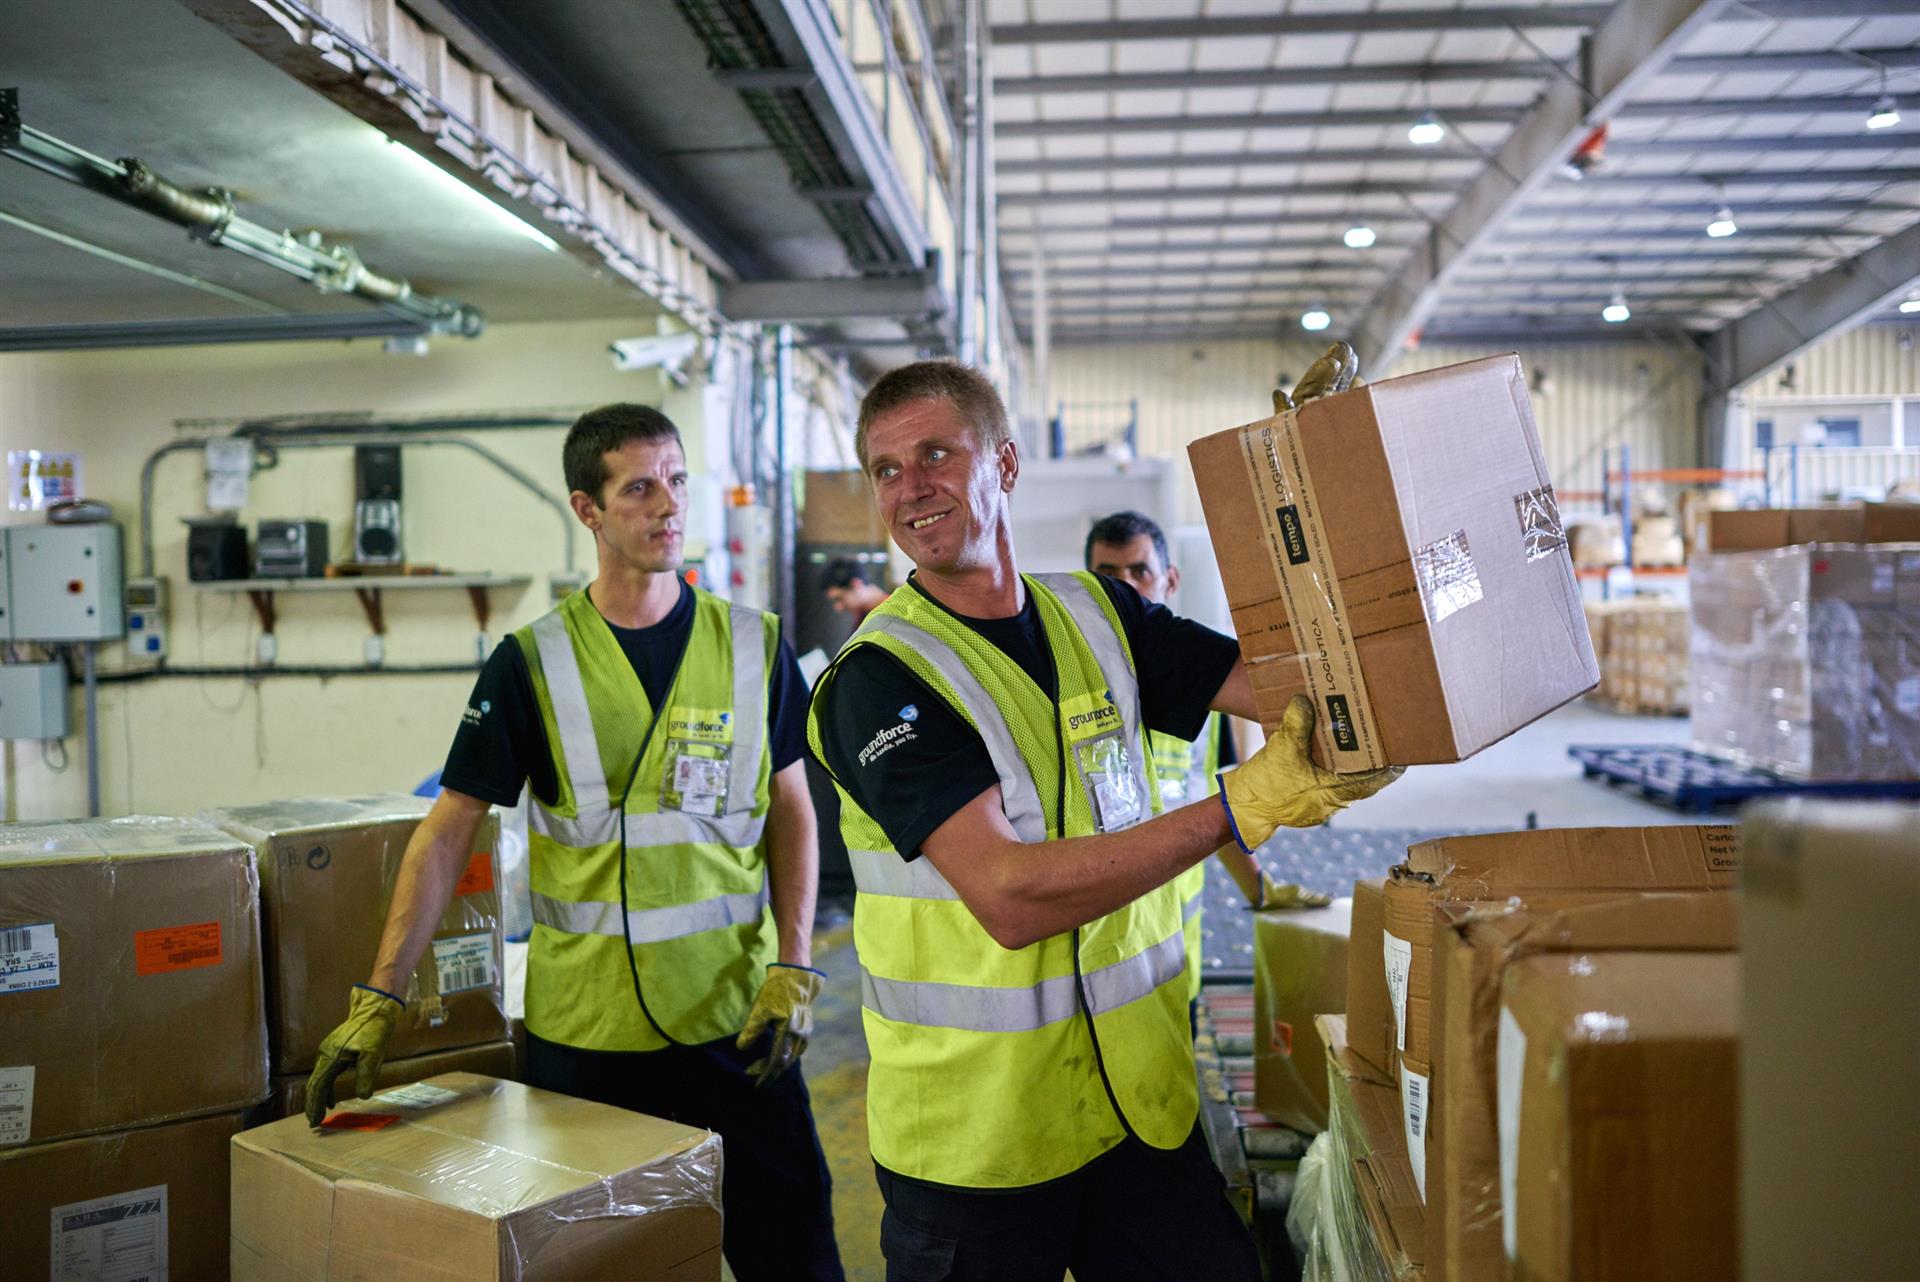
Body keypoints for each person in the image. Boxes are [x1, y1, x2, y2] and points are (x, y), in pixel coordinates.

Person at [807, 351, 1398, 1282]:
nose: (910, 488)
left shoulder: (1100, 613)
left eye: (936, 455)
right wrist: (1242, 805)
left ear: (1003, 464)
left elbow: (1298, 695)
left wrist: (1323, 492)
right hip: (979, 1149)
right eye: (886, 468)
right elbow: (1009, 897)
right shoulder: (879, 682)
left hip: (1141, 1109)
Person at [306, 403, 844, 1282]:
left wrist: (794, 963)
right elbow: (447, 836)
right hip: (588, 1039)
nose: (667, 504)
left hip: (738, 1023)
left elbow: (793, 811)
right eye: (639, 488)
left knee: (792, 1249)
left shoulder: (755, 645)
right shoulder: (532, 662)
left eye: (676, 481)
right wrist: (381, 997)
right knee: (599, 1263)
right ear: (587, 510)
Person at [1083, 510, 1330, 1011]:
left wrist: (1261, 888)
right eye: (1108, 579)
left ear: (1170, 581)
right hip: (1099, 972)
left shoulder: (1209, 695)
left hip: (1175, 960)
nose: (1127, 589)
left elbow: (1217, 804)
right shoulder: (1071, 691)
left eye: (1140, 572)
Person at [822, 558, 890, 623]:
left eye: (840, 598)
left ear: (856, 584)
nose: (839, 607)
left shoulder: (892, 612)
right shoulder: (864, 617)